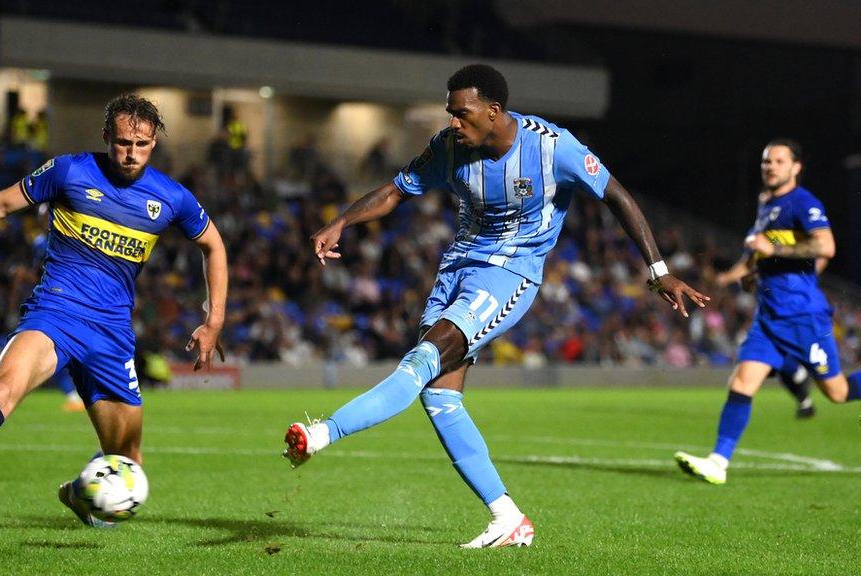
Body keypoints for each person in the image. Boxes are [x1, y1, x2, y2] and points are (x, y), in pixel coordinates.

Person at [281, 64, 709, 548]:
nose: (452, 123)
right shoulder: (448, 148)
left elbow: (617, 195)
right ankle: (507, 517)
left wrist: (658, 271)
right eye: (450, 114)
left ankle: (322, 435)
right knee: (439, 395)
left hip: (508, 276)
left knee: (422, 360)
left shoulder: (552, 148)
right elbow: (396, 190)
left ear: (494, 110)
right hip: (455, 271)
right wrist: (341, 221)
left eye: (461, 114)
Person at [0, 94, 228, 528]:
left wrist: (214, 320)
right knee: (3, 391)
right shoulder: (69, 171)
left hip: (113, 333)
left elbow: (214, 245)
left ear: (155, 144)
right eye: (121, 143)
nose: (130, 154)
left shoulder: (172, 198)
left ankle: (82, 495)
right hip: (56, 313)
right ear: (105, 137)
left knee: (129, 463)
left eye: (142, 145)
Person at [675, 139, 861, 485]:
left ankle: (720, 459)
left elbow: (826, 246)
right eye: (766, 161)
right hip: (769, 317)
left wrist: (774, 247)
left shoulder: (802, 203)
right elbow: (753, 257)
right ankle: (718, 462)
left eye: (778, 161)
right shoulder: (766, 204)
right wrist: (727, 278)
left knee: (837, 393)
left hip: (803, 316)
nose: (770, 167)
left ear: (796, 167)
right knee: (741, 383)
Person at [714, 187, 830, 419]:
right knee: (759, 358)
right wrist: (728, 278)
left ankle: (798, 378)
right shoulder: (756, 233)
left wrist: (807, 279)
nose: (766, 202)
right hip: (771, 307)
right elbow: (748, 264)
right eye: (763, 199)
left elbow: (823, 251)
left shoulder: (792, 225)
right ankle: (800, 388)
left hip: (800, 306)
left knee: (835, 388)